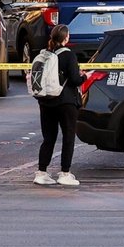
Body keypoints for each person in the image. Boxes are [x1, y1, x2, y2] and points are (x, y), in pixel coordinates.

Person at [33, 23, 85, 187]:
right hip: (66, 102)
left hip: (46, 101)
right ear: (66, 38)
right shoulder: (68, 55)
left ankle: (41, 172)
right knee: (68, 137)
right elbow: (75, 80)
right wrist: (84, 76)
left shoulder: (45, 54)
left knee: (48, 138)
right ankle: (65, 173)